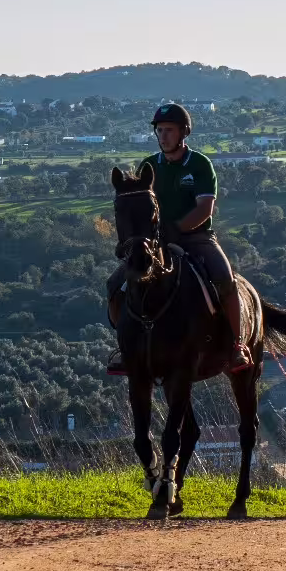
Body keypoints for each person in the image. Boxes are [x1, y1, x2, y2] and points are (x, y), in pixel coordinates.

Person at [106, 103, 249, 374]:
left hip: (197, 237)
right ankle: (125, 349)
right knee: (115, 284)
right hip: (154, 243)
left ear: (184, 132)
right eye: (159, 131)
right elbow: (138, 208)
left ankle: (237, 345)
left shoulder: (199, 164)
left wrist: (177, 228)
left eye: (169, 130)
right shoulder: (148, 165)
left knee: (224, 278)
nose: (163, 136)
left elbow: (205, 208)